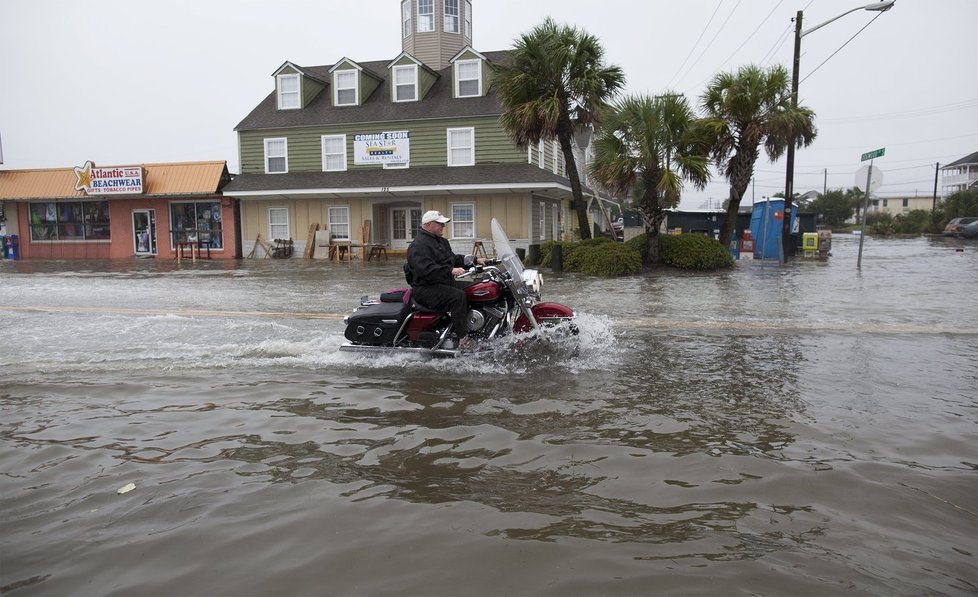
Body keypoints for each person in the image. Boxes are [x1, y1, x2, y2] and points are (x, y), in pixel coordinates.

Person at [406, 210, 487, 350]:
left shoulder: (441, 242)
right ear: (429, 225)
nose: (443, 226)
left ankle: (480, 327)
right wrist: (450, 270)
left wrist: (476, 260)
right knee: (457, 297)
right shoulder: (418, 246)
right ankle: (463, 338)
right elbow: (426, 270)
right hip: (425, 288)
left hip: (442, 283)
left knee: (477, 288)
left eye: (443, 224)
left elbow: (453, 259)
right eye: (440, 224)